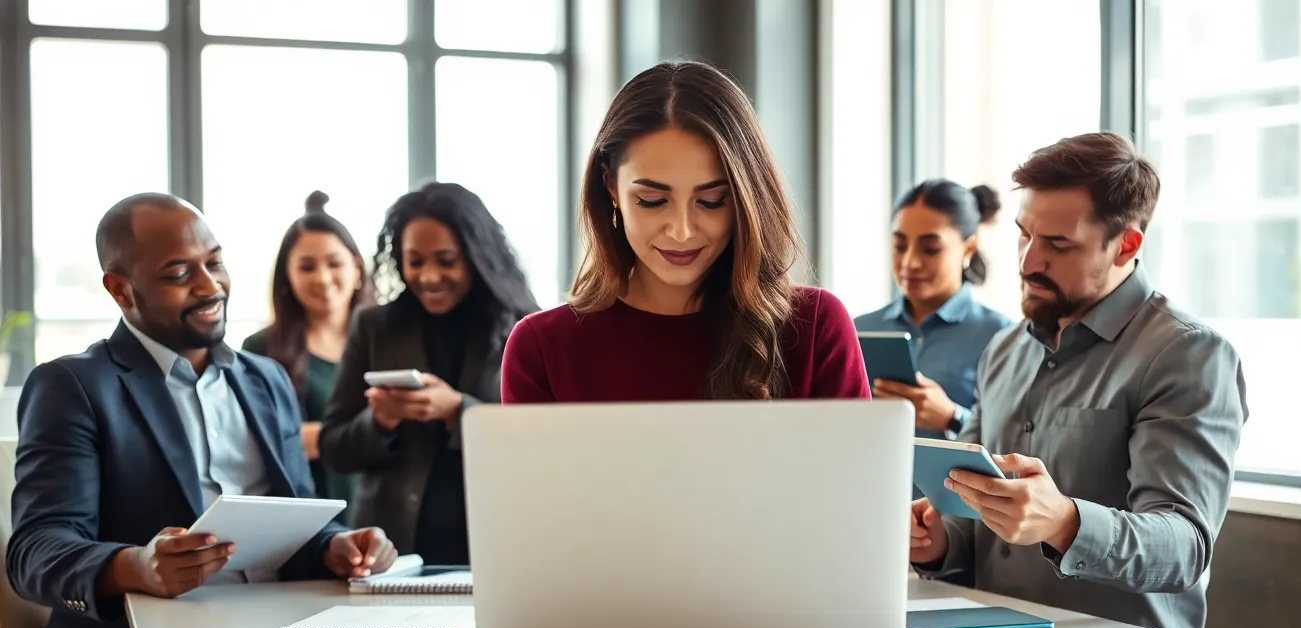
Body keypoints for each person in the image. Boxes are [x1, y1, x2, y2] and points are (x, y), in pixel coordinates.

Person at [6, 193, 397, 628]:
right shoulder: (74, 387)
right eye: (178, 273)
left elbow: (297, 523)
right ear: (120, 289)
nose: (209, 285)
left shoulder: (264, 381)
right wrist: (137, 565)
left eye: (215, 262)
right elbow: (35, 552)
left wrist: (338, 546)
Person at [908, 133, 1249, 628]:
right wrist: (938, 541)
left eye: (1057, 245)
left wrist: (1066, 522)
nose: (1027, 263)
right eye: (1024, 235)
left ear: (1126, 244)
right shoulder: (1004, 350)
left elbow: (1185, 547)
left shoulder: (1189, 355)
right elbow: (973, 520)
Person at [501, 61, 868, 403]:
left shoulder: (815, 328)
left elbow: (863, 472)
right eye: (651, 200)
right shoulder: (543, 348)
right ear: (609, 184)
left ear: (745, 199)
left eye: (711, 201)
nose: (681, 231)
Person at [321, 181, 539, 565]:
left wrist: (459, 410)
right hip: (391, 551)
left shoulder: (522, 330)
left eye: (446, 260)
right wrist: (380, 421)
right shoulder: (374, 327)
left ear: (476, 257)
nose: (429, 276)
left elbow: (542, 444)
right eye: (415, 261)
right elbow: (334, 449)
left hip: (495, 543)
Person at [242, 191, 374, 517]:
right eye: (306, 267)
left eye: (334, 263)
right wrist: (367, 432)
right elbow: (264, 446)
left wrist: (317, 438)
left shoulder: (388, 341)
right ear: (287, 276)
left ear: (356, 268)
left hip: (383, 515)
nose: (323, 278)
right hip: (307, 520)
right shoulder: (259, 350)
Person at [854, 180, 1013, 438]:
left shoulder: (1002, 336)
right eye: (899, 246)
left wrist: (953, 417)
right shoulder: (858, 329)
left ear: (968, 248)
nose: (910, 263)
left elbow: (1015, 441)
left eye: (930, 249)